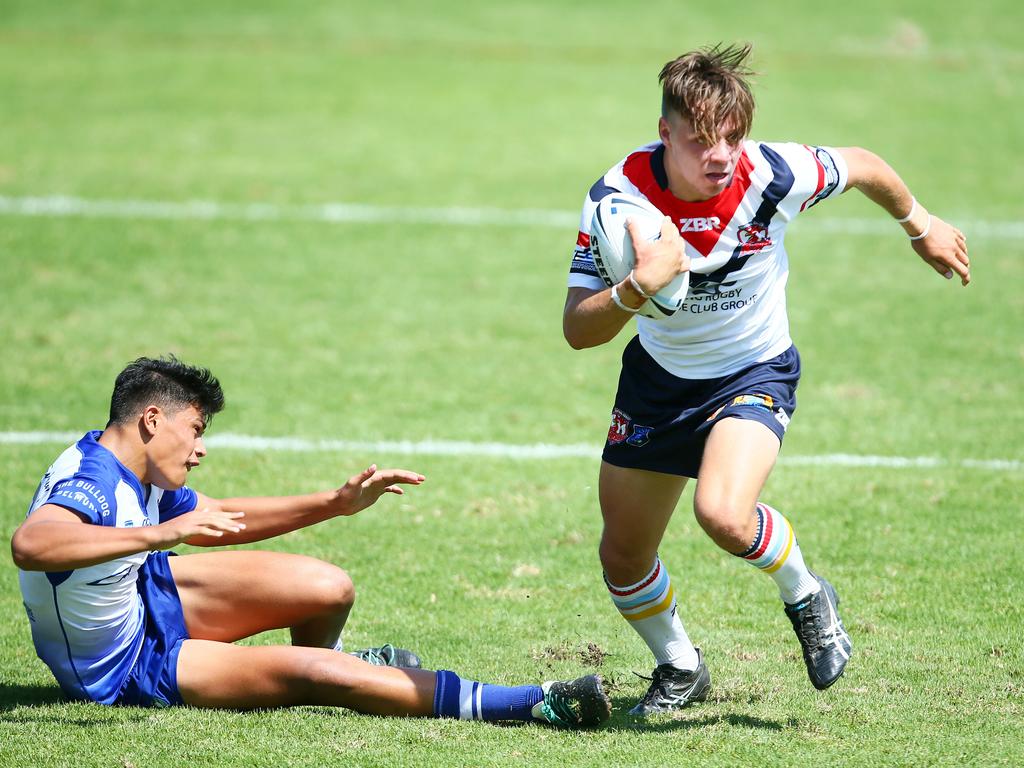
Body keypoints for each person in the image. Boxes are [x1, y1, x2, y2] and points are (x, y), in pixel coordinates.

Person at [563, 44, 970, 715]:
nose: (720, 154)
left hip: (753, 371)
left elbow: (864, 165)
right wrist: (639, 287)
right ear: (665, 133)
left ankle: (806, 594)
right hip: (659, 384)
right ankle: (681, 666)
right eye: (700, 140)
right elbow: (580, 328)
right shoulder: (617, 200)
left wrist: (918, 226)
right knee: (622, 555)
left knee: (722, 514)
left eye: (732, 136)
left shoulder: (773, 173)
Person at [12, 356, 610, 727]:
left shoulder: (129, 465)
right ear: (151, 420)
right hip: (124, 665)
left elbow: (224, 517)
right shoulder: (90, 482)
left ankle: (345, 659)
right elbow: (31, 544)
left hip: (144, 596)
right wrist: (163, 533)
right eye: (194, 430)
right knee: (321, 676)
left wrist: (335, 504)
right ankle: (535, 701)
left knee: (328, 587)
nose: (200, 447)